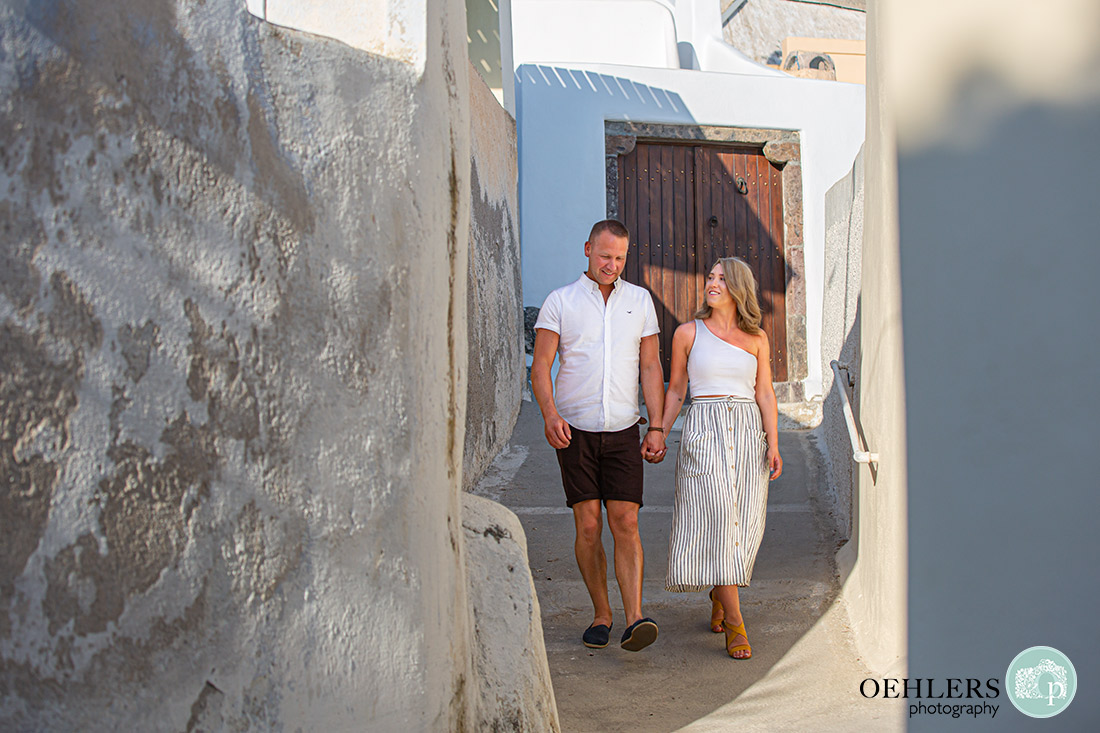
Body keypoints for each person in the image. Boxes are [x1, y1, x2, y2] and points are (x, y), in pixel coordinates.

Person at [531, 219, 668, 652]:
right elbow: (541, 366)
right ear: (588, 249)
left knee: (625, 521)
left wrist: (658, 425)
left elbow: (650, 366)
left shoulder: (640, 301)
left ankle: (635, 618)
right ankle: (601, 614)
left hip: (625, 429)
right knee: (588, 525)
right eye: (605, 256)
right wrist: (549, 413)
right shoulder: (560, 302)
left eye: (620, 258)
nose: (612, 265)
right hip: (575, 432)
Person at [656, 257, 783, 659]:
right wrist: (658, 430)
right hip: (705, 431)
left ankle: (719, 592)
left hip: (747, 434)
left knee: (743, 523)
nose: (712, 283)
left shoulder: (757, 338)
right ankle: (735, 622)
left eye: (722, 279)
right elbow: (676, 389)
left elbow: (764, 393)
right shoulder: (687, 333)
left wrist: (773, 442)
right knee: (717, 519)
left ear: (738, 288)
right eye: (710, 277)